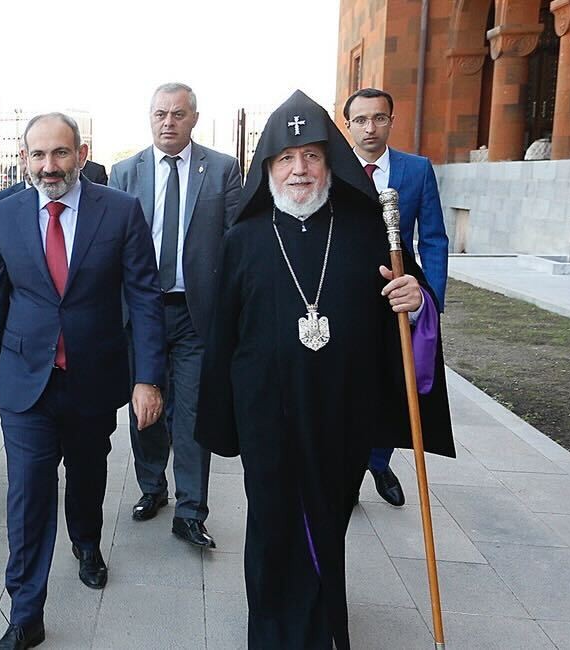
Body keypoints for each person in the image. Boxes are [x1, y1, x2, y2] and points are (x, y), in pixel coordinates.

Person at [194, 90, 455, 649]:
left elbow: (410, 309)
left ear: (329, 163)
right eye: (286, 159)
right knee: (270, 522)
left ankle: (321, 627)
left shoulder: (367, 232)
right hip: (266, 412)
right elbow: (222, 334)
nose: (299, 169)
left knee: (327, 520)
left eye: (311, 156)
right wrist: (220, 418)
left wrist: (417, 300)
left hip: (343, 409)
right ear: (268, 168)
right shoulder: (243, 239)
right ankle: (270, 631)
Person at [0, 113, 165, 649]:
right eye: (37, 155)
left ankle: (86, 540)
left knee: (87, 474)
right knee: (29, 491)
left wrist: (148, 377)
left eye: (59, 153)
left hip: (92, 375)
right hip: (24, 380)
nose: (48, 166)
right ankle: (25, 610)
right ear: (24, 158)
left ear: (80, 154)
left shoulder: (121, 212)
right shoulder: (6, 212)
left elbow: (145, 298)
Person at [110, 82, 241, 547]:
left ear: (194, 118)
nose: (169, 122)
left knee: (191, 413)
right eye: (161, 114)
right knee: (145, 406)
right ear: (150, 117)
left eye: (179, 114)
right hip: (140, 312)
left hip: (195, 314)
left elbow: (233, 240)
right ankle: (152, 488)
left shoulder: (222, 169)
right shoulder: (124, 172)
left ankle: (191, 510)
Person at [344, 87, 450, 507]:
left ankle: (379, 459)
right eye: (361, 120)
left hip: (399, 297)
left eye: (379, 118)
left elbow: (435, 239)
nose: (370, 128)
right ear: (348, 124)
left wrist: (430, 302)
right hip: (350, 297)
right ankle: (350, 468)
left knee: (394, 379)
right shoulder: (334, 169)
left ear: (391, 120)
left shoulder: (416, 170)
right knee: (353, 381)